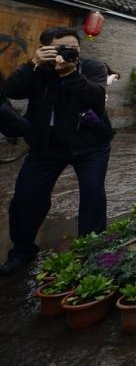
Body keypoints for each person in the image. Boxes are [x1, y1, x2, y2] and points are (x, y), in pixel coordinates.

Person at [0, 26, 113, 275]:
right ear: (45, 49)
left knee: (93, 195)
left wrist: (70, 74)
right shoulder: (38, 70)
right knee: (26, 197)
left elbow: (95, 98)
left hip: (91, 145)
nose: (68, 53)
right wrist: (31, 65)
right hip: (46, 146)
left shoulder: (92, 67)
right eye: (62, 48)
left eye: (74, 48)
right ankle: (22, 252)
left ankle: (92, 252)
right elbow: (11, 91)